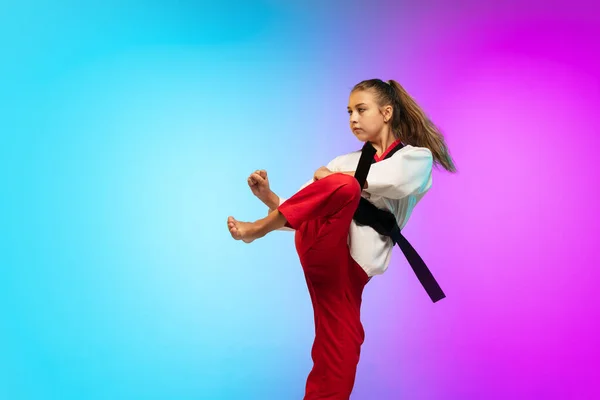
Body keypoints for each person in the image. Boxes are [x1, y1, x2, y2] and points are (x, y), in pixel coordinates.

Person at [227, 79, 456, 399]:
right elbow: (302, 207)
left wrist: (332, 179)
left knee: (343, 350)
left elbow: (395, 182)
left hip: (351, 275)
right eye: (349, 111)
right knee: (344, 187)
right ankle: (258, 229)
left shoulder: (415, 159)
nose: (353, 118)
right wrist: (270, 198)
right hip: (322, 243)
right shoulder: (343, 164)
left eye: (361, 110)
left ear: (387, 112)